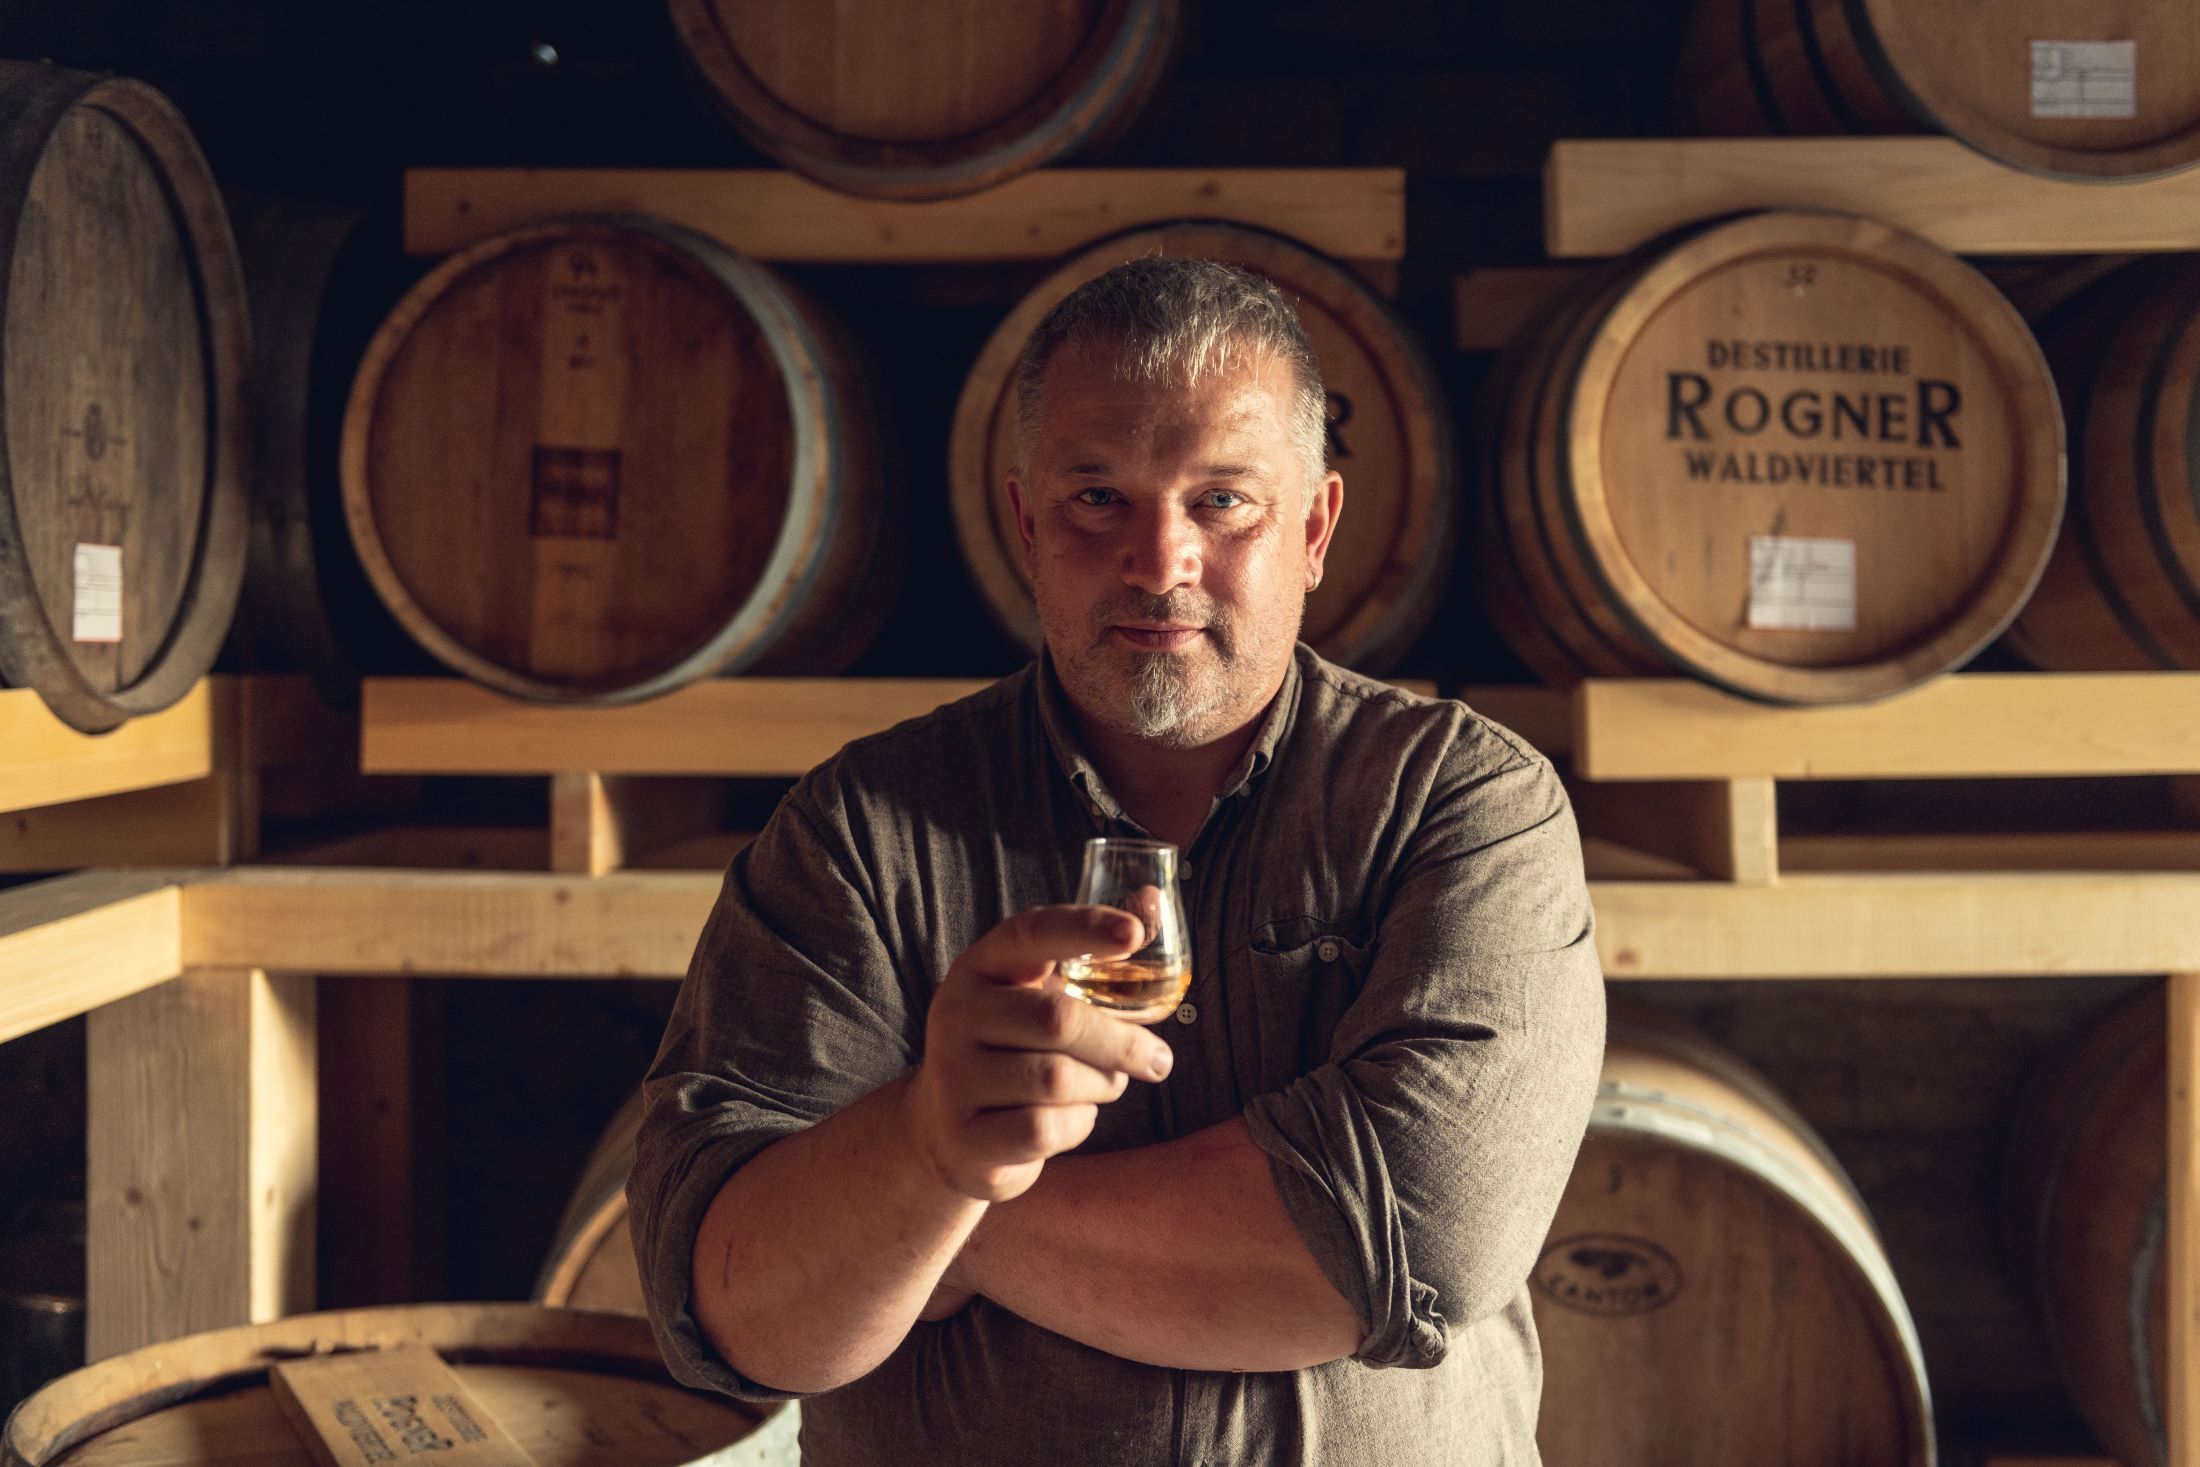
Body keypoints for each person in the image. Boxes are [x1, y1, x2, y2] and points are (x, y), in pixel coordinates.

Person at [628, 257, 1605, 1465]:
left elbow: (1404, 1249)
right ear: (1027, 521)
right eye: (1098, 498)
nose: (1158, 561)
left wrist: (933, 1202)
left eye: (1221, 502)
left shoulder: (1461, 803)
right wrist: (928, 1147)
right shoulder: (859, 832)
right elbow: (741, 1316)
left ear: (1313, 529)